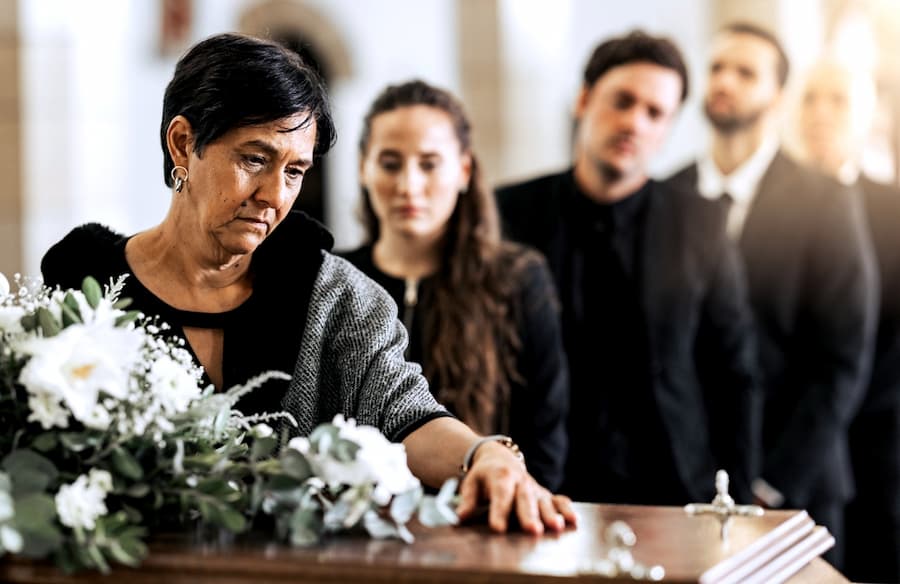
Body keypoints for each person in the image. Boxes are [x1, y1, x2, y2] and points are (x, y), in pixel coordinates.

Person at [39, 32, 575, 536]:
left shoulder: (334, 293)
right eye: (255, 159)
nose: (274, 194)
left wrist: (484, 455)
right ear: (182, 145)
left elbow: (405, 415)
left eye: (295, 171)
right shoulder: (86, 285)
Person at [497, 31, 760, 507]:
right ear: (583, 100)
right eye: (622, 101)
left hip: (675, 484)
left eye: (655, 113)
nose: (634, 123)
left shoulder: (701, 221)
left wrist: (738, 495)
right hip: (545, 484)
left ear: (668, 127)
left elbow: (733, 370)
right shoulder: (509, 213)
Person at [666, 23, 878, 566]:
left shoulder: (824, 200)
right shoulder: (670, 195)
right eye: (716, 68)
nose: (725, 81)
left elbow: (843, 355)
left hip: (797, 482)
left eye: (745, 71)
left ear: (778, 96)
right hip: (682, 482)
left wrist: (772, 480)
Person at [341, 80, 569, 490]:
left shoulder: (516, 281)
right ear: (363, 168)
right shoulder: (337, 282)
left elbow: (545, 438)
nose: (409, 185)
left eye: (429, 164)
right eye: (390, 163)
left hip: (483, 521)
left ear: (463, 170)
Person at [797, 58, 900, 583]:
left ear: (869, 116)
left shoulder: (893, 208)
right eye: (810, 98)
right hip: (793, 440)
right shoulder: (770, 208)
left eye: (838, 101)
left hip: (879, 432)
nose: (821, 113)